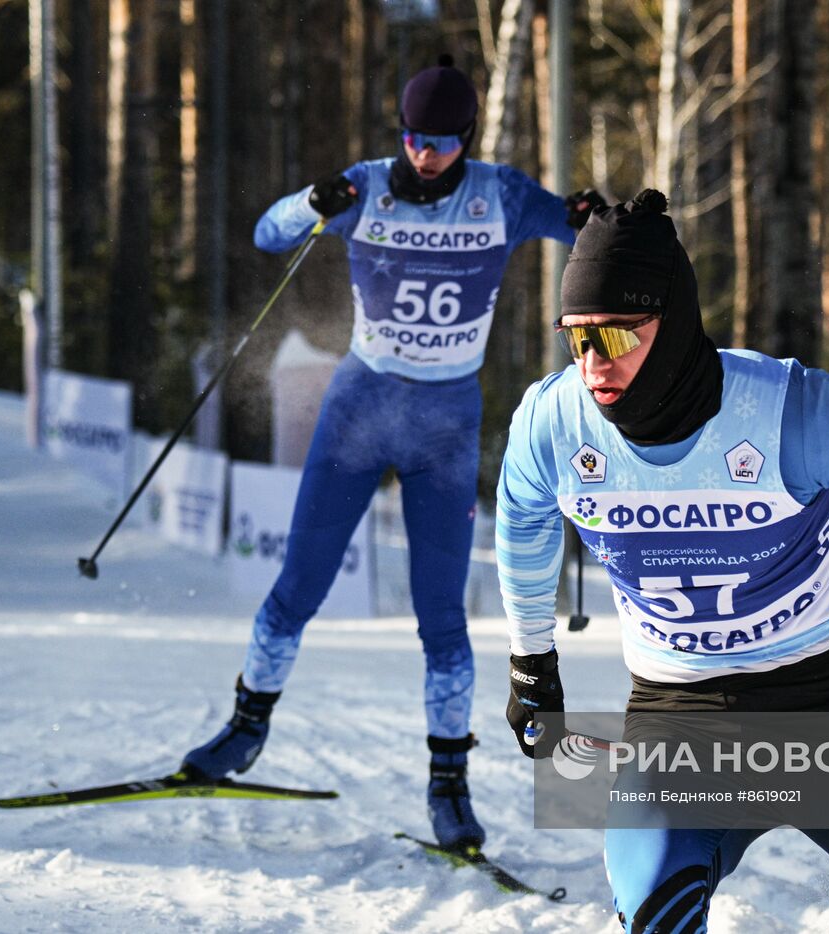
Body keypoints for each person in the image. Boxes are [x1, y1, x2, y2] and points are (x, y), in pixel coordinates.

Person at [496, 190, 829, 932]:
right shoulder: (552, 424)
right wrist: (531, 664)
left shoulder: (793, 412)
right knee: (654, 913)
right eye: (576, 338)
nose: (592, 365)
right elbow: (520, 518)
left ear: (672, 323)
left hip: (827, 709)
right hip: (680, 719)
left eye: (615, 338)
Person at [180, 55, 604, 851]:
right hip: (360, 412)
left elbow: (580, 224)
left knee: (441, 618)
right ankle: (244, 730)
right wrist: (313, 201)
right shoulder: (366, 185)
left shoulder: (501, 195)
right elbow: (267, 234)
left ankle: (449, 785)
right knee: (297, 587)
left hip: (443, 429)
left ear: (464, 140)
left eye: (440, 142)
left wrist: (600, 212)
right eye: (413, 138)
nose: (424, 155)